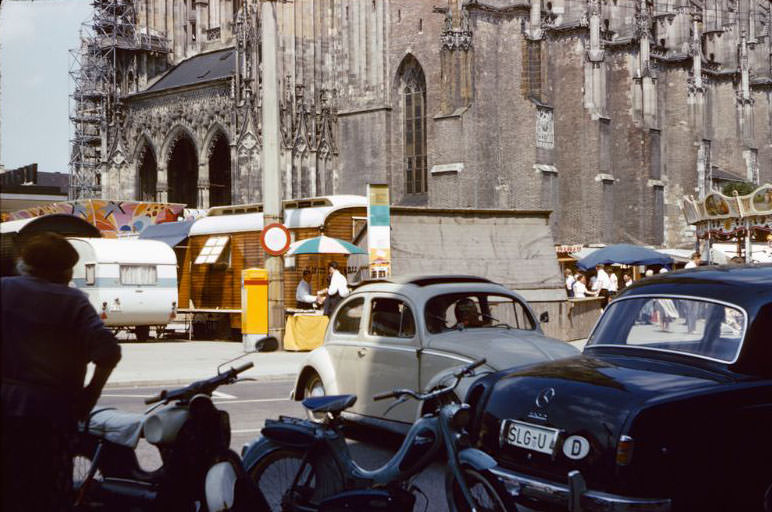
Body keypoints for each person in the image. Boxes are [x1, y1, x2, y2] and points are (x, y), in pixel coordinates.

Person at [2, 232, 122, 512]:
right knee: (49, 492)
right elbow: (109, 352)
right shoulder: (73, 301)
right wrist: (90, 395)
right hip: (53, 415)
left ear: (25, 263)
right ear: (64, 270)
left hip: (5, 412)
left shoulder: (3, 289)